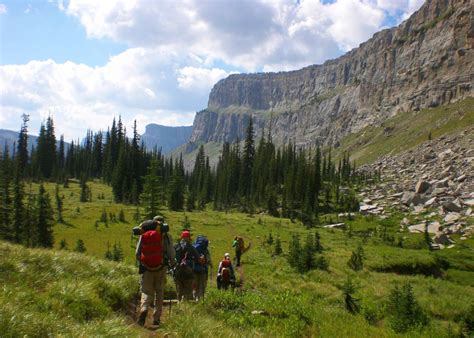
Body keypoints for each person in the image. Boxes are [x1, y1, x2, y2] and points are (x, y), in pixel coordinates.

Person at [135, 215, 175, 328]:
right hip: (161, 268)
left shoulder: (144, 234)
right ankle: (156, 319)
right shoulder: (167, 236)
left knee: (146, 291)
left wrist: (143, 262)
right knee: (159, 291)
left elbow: (137, 253)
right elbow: (171, 253)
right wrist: (172, 264)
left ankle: (144, 308)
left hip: (147, 268)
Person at [174, 230, 199, 301]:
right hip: (188, 269)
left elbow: (172, 256)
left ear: (182, 237)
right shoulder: (191, 247)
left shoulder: (176, 246)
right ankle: (185, 301)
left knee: (178, 286)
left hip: (178, 269)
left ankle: (179, 301)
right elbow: (197, 258)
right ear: (189, 238)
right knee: (188, 287)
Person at [192, 235, 212, 301]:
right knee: (201, 287)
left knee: (195, 286)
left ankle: (194, 299)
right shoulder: (206, 250)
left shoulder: (194, 247)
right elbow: (209, 260)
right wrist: (210, 264)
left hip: (194, 270)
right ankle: (199, 300)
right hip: (204, 271)